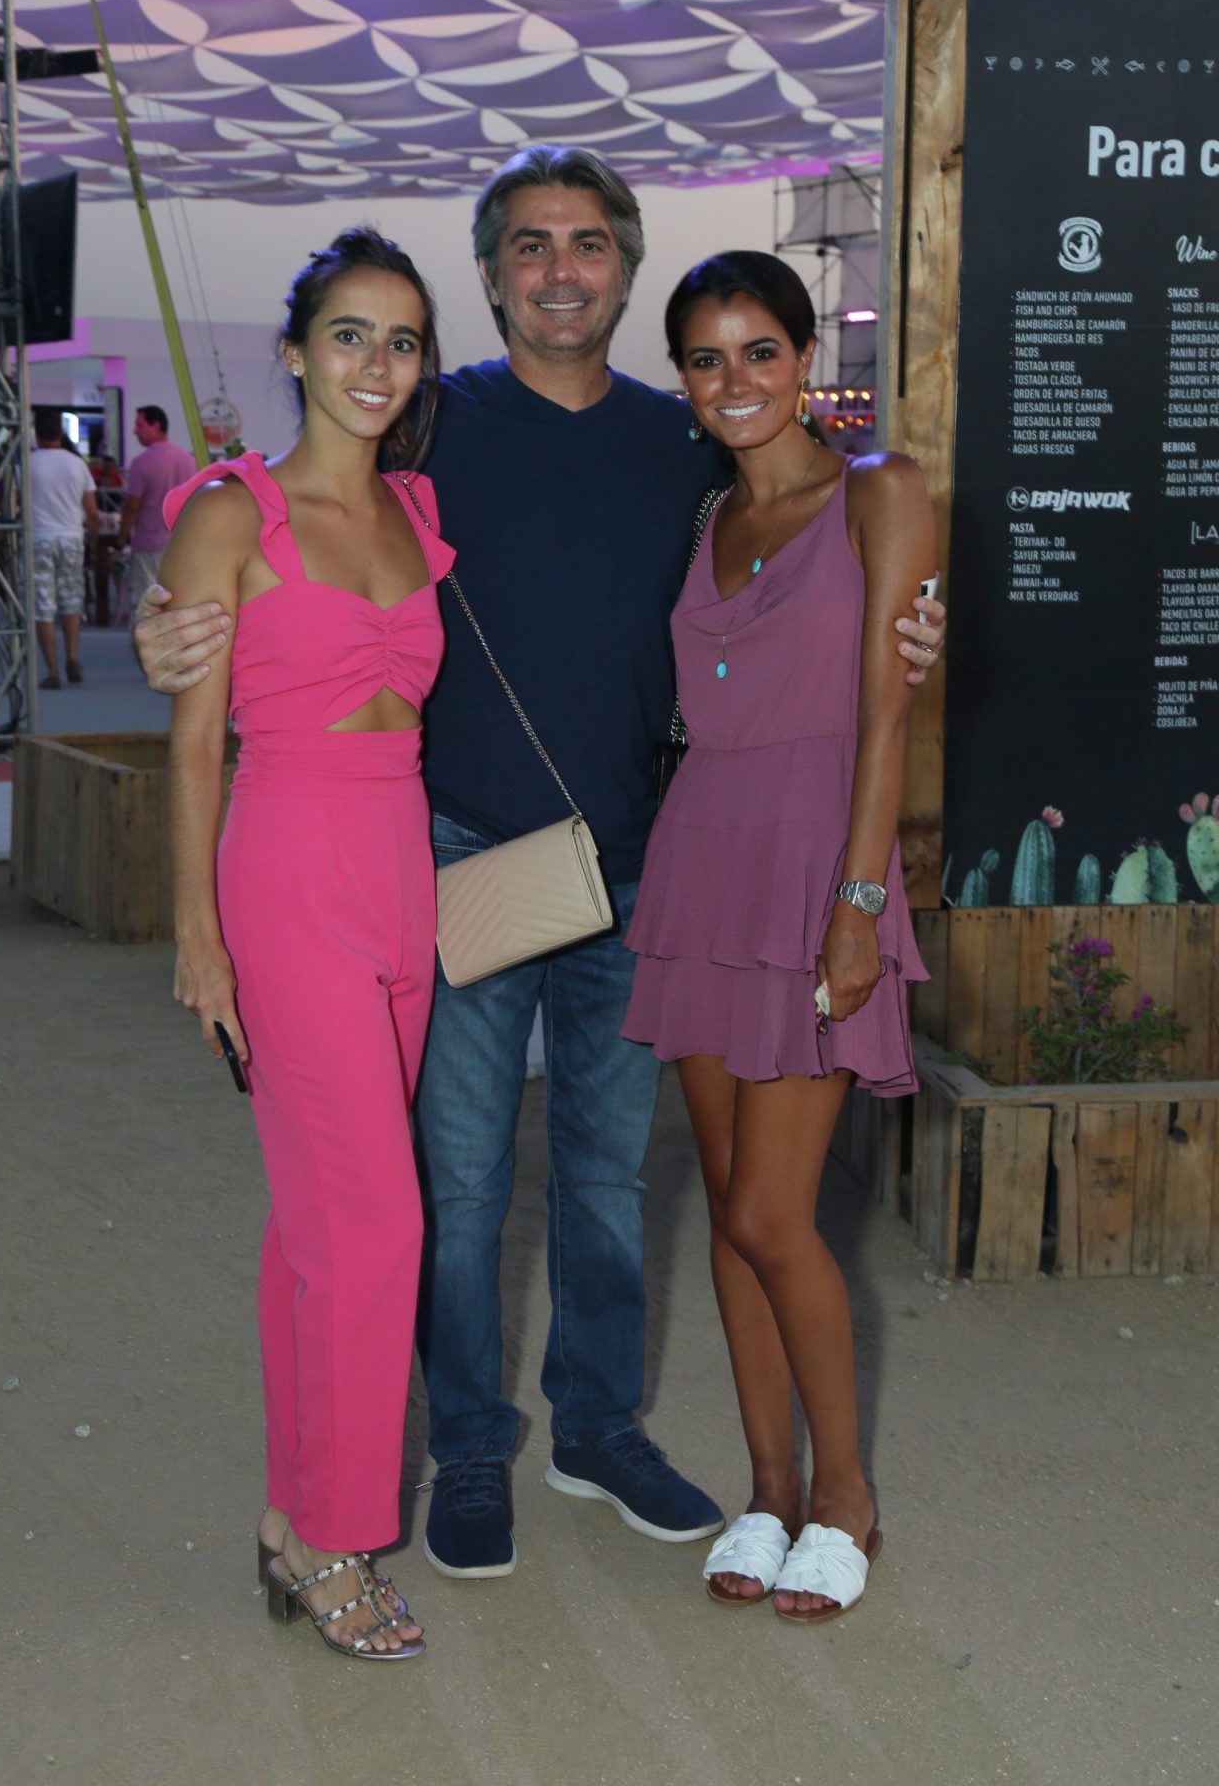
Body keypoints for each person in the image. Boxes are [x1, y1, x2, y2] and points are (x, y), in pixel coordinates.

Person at [133, 146, 947, 1584]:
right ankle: (464, 1446)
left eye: (586, 243)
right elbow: (273, 527)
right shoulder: (426, 427)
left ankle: (597, 1427)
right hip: (453, 857)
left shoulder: (687, 444)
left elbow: (806, 579)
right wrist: (166, 621)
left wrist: (916, 631)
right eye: (528, 244)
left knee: (604, 1180)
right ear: (490, 272)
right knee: (451, 1183)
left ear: (623, 270)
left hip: (645, 865)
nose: (559, 269)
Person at [623, 250, 935, 1623]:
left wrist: (858, 905)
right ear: (683, 380)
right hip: (701, 861)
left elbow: (886, 711)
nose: (735, 379)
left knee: (770, 1210)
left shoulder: (879, 493)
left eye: (759, 350)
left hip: (818, 863)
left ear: (807, 359)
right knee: (722, 1203)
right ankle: (766, 1486)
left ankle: (844, 1493)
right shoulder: (702, 515)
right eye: (706, 357)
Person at [158, 228, 447, 1661]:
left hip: (404, 874)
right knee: (378, 1221)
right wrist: (195, 933)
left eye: (400, 340)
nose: (373, 363)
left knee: (315, 1225)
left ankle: (287, 1512)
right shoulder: (229, 513)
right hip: (287, 873)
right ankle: (339, 1534)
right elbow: (192, 744)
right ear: (293, 350)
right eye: (348, 333)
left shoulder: (416, 509)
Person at [29, 409, 98, 688]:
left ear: (36, 433)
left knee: (42, 606)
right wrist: (92, 539)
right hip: (71, 537)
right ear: (61, 432)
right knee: (71, 600)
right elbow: (91, 510)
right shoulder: (77, 464)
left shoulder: (27, 463)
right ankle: (72, 656)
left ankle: (53, 671)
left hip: (39, 537)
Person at [119, 405, 195, 614]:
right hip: (181, 543)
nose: (135, 431)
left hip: (148, 543)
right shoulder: (189, 461)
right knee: (177, 603)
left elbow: (132, 506)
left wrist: (121, 538)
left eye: (139, 425)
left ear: (156, 425)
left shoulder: (141, 463)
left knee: (145, 605)